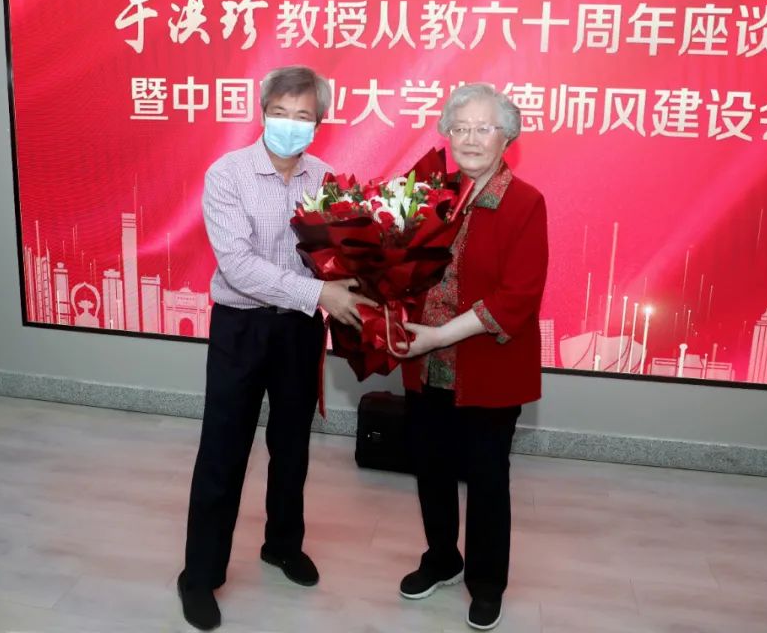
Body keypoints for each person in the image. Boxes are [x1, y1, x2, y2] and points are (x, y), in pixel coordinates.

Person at [178, 65, 375, 631]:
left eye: (303, 116)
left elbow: (341, 257)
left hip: (300, 330)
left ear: (319, 122)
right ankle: (199, 575)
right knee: (223, 450)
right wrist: (320, 293)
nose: (290, 124)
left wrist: (362, 279)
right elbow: (238, 267)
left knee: (292, 447)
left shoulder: (328, 180)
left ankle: (282, 545)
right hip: (241, 328)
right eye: (280, 113)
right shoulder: (228, 174)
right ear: (263, 113)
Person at [394, 83, 549, 631]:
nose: (471, 138)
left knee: (486, 478)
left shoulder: (525, 202)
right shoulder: (430, 194)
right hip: (426, 365)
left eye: (484, 128)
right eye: (460, 128)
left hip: (488, 368)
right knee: (431, 467)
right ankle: (442, 558)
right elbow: (401, 268)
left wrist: (439, 336)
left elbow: (517, 297)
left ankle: (486, 583)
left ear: (507, 137)